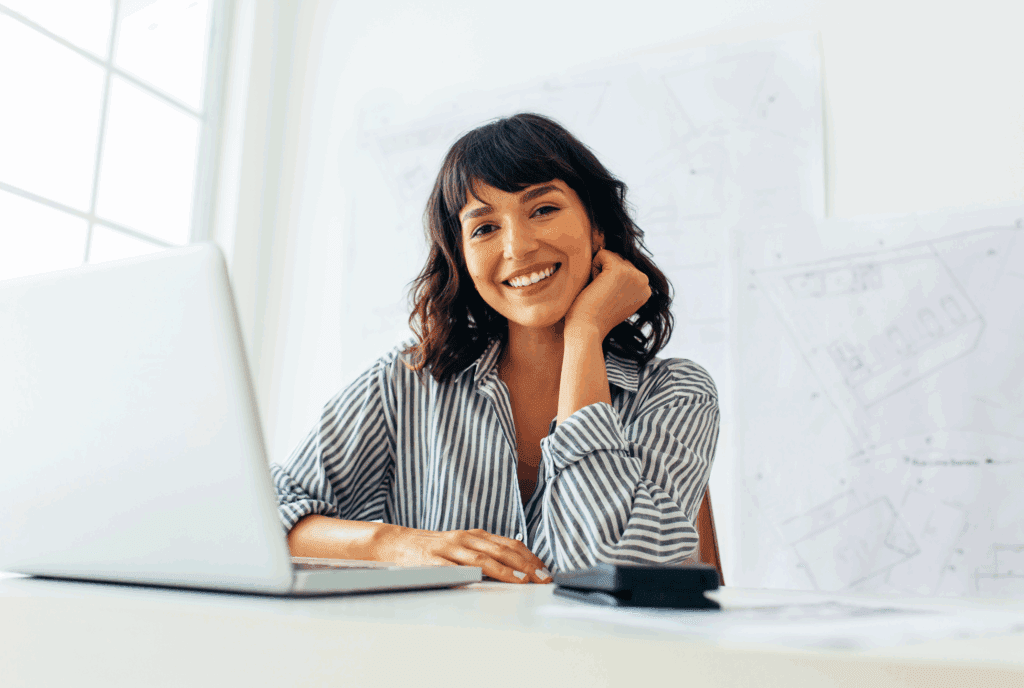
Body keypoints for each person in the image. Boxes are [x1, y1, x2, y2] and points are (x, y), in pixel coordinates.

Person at [272, 113, 719, 584]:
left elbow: (610, 571)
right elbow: (265, 519)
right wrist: (399, 544)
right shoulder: (407, 380)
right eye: (484, 228)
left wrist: (584, 335)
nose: (518, 247)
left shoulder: (678, 393)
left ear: (597, 229)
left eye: (543, 209)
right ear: (462, 258)